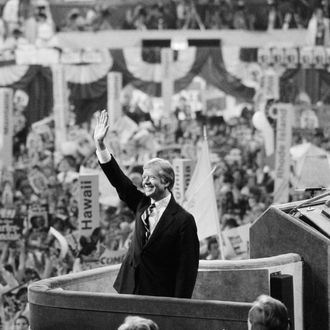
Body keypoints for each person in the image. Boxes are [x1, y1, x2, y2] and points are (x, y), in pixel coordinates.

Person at [93, 110, 199, 298]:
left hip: (160, 295)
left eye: (151, 178)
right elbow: (120, 181)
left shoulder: (184, 220)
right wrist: (100, 145)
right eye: (144, 178)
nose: (145, 182)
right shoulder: (141, 204)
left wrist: (180, 307)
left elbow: (187, 268)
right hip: (129, 288)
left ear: (166, 182)